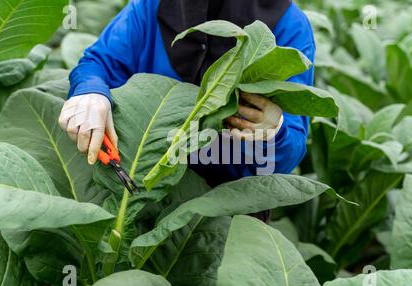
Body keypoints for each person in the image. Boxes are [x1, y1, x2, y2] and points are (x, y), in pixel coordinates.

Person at [58, 0, 315, 190]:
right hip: (137, 186)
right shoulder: (153, 5)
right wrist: (90, 91)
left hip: (225, 211)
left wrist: (275, 131)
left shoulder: (290, 25)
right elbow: (98, 63)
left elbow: (288, 155)